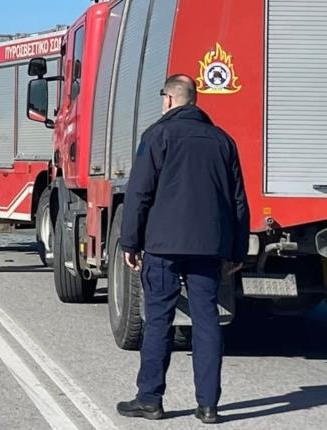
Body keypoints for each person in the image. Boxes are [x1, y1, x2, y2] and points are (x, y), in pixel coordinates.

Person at [116, 74, 249, 425]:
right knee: (206, 321)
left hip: (163, 245)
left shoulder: (158, 135)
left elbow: (139, 193)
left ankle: (150, 400)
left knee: (159, 319)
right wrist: (236, 250)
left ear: (170, 100)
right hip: (209, 247)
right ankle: (208, 406)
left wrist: (130, 240)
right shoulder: (223, 141)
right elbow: (238, 201)